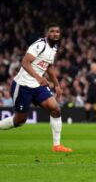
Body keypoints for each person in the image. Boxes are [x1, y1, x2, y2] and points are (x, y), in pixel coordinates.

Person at [0, 23, 73, 153]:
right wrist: (39, 78)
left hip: (38, 86)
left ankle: (57, 146)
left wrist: (56, 84)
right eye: (52, 31)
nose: (55, 34)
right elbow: (25, 62)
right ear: (47, 33)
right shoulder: (40, 45)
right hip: (23, 86)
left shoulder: (54, 47)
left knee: (55, 109)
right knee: (20, 120)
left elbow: (49, 66)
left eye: (57, 31)